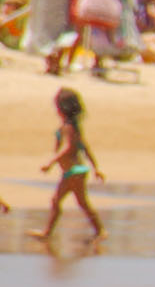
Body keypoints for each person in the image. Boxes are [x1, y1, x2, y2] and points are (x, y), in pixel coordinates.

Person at [29, 87, 105, 242]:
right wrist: (95, 168)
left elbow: (68, 147)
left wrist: (50, 162)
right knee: (69, 201)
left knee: (68, 201)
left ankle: (100, 231)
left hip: (73, 170)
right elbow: (85, 147)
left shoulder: (67, 127)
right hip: (76, 170)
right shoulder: (74, 126)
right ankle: (98, 231)